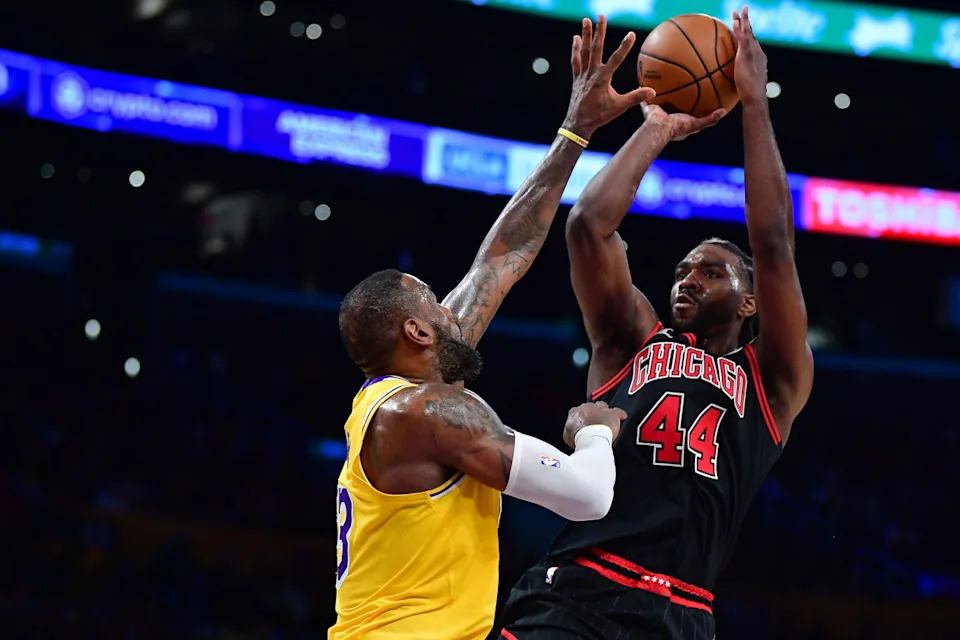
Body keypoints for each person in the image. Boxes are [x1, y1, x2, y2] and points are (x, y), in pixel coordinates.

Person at [329, 16, 656, 640]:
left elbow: (501, 258)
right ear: (418, 334)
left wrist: (577, 130)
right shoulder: (423, 412)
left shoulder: (408, 393)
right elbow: (589, 497)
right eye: (435, 304)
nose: (453, 308)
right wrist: (593, 433)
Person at [498, 7, 815, 640]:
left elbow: (775, 243)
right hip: (578, 590)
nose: (688, 279)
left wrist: (755, 106)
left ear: (750, 303)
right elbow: (589, 227)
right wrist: (658, 128)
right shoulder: (634, 340)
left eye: (712, 273)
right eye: (683, 269)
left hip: (681, 613)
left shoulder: (773, 380)